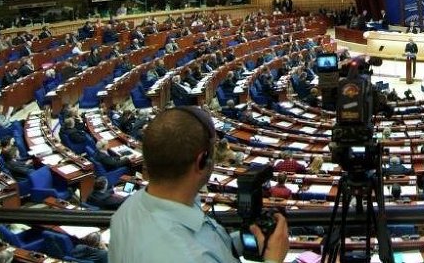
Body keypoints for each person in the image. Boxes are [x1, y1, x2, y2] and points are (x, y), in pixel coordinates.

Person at [109, 107, 290, 263]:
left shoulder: (126, 210)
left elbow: (206, 242)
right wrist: (273, 258)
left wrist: (242, 241)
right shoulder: (189, 257)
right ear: (202, 161)